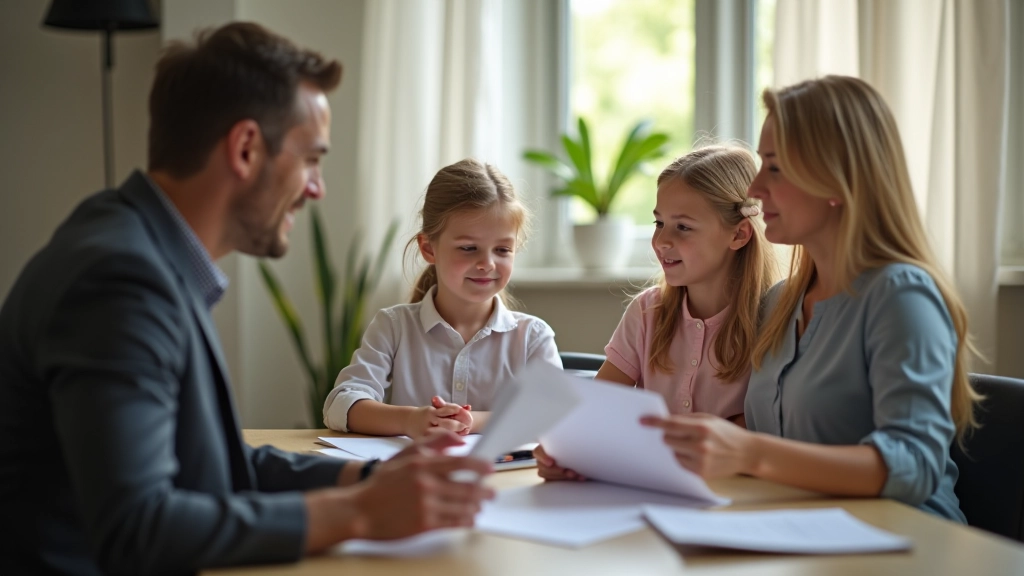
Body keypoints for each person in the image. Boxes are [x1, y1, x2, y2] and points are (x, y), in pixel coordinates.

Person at [0, 22, 492, 576]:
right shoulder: (120, 280)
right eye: (311, 159)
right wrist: (358, 513)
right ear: (246, 148)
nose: (317, 187)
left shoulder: (141, 250)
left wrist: (371, 479)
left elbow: (213, 466)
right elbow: (138, 529)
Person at [640, 75, 979, 522]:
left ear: (837, 179)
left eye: (775, 168)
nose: (756, 190)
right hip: (801, 534)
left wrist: (750, 453)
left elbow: (913, 467)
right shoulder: (779, 304)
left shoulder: (901, 297)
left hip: (906, 548)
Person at [535, 145, 778, 481]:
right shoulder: (647, 311)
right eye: (659, 222)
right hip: (650, 485)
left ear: (738, 234)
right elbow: (598, 408)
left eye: (683, 227)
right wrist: (564, 449)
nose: (661, 240)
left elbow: (761, 428)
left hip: (736, 490)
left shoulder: (775, 318)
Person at [323, 158, 562, 437]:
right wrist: (410, 421)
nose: (487, 263)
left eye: (502, 250)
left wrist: (469, 422)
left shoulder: (533, 337)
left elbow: (553, 413)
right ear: (429, 248)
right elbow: (340, 405)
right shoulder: (393, 327)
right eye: (469, 248)